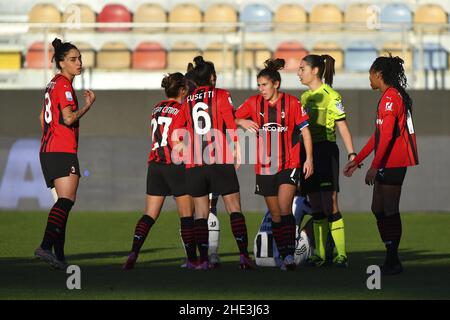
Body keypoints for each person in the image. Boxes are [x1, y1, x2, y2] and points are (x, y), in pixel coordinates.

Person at [172, 56, 255, 270]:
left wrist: (179, 145)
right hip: (219, 158)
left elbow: (176, 131)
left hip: (194, 163)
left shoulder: (188, 100)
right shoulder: (221, 94)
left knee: (200, 214)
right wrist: (236, 148)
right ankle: (244, 257)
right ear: (212, 77)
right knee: (233, 208)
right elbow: (229, 123)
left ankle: (203, 260)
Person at [235, 58, 313, 271]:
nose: (261, 89)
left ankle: (288, 257)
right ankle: (285, 253)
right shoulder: (253, 103)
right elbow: (230, 118)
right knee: (276, 214)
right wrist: (242, 121)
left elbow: (305, 131)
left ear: (276, 84)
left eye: (264, 85)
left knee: (285, 207)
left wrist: (309, 159)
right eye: (259, 85)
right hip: (264, 165)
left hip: (289, 163)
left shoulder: (293, 103)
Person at [344, 54, 418, 275]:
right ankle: (391, 256)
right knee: (378, 208)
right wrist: (357, 160)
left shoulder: (390, 98)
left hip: (393, 161)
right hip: (386, 160)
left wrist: (374, 166)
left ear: (378, 74)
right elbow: (378, 136)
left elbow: (385, 138)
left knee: (389, 209)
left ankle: (393, 260)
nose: (369, 78)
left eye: (370, 74)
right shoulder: (390, 96)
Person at [122, 73, 200, 270]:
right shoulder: (183, 109)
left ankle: (133, 252)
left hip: (155, 166)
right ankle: (192, 259)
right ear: (182, 90)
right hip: (175, 165)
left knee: (149, 214)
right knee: (186, 215)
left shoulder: (157, 107)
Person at [35, 38, 96, 269]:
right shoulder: (63, 85)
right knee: (66, 201)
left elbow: (42, 117)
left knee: (63, 203)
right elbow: (68, 118)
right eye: (73, 59)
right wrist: (88, 106)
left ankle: (59, 256)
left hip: (48, 150)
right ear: (61, 63)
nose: (79, 63)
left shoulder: (51, 84)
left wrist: (52, 136)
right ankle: (45, 246)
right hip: (62, 150)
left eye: (79, 58)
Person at [297, 54, 356, 267]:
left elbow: (342, 126)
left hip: (325, 152)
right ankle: (320, 255)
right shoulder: (303, 98)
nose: (298, 73)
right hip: (308, 154)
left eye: (302, 68)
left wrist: (352, 154)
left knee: (330, 203)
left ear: (315, 71)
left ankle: (341, 255)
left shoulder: (332, 96)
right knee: (316, 206)